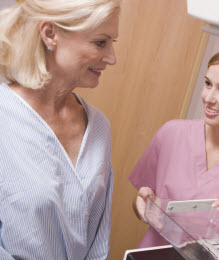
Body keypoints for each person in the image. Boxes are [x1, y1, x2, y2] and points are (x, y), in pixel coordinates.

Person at [0, 0, 120, 259]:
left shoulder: (98, 127)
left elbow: (98, 240)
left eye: (113, 43)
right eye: (101, 42)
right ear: (50, 34)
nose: (112, 58)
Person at [129, 48, 219, 248]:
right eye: (208, 84)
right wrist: (144, 206)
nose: (208, 97)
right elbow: (141, 205)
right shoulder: (172, 133)